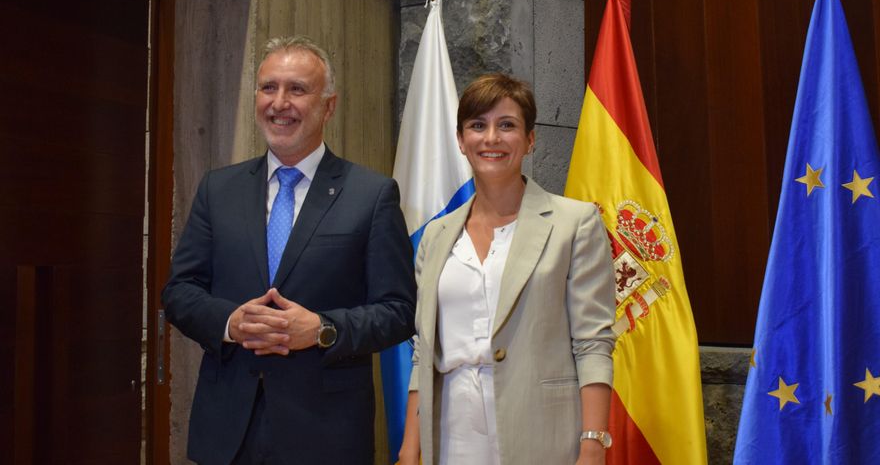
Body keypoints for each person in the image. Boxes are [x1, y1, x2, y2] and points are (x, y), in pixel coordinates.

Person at [162, 35, 416, 465]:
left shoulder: (371, 195)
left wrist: (321, 329)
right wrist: (231, 322)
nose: (279, 103)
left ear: (328, 106)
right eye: (268, 87)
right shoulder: (217, 189)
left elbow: (397, 312)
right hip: (228, 433)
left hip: (326, 434)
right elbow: (180, 292)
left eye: (297, 89)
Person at [398, 73, 616, 465]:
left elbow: (593, 342)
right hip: (451, 434)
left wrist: (593, 442)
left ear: (530, 140)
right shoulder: (436, 236)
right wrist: (408, 450)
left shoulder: (575, 223)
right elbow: (423, 352)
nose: (492, 138)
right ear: (461, 140)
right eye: (478, 126)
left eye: (507, 125)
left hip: (544, 435)